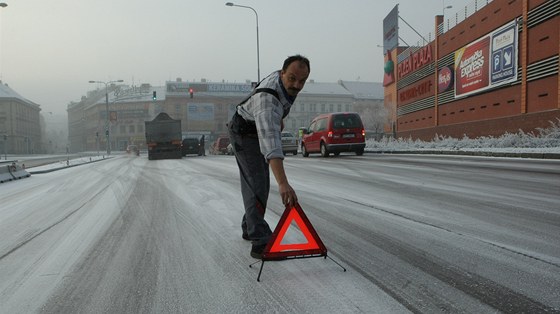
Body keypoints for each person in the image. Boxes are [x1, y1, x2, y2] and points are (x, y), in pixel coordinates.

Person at [228, 55, 310, 259]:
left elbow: (276, 112)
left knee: (258, 183)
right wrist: (283, 183)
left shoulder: (283, 84)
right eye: (292, 78)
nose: (296, 85)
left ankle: (249, 226)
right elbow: (272, 147)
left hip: (254, 127)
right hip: (244, 133)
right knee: (257, 183)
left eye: (302, 81)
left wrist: (278, 119)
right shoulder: (267, 101)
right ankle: (260, 242)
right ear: (282, 73)